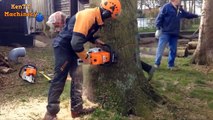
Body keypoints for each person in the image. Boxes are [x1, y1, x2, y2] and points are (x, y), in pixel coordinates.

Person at [43, 0, 122, 119]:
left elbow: (85, 32)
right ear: (106, 13)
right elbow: (76, 43)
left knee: (78, 77)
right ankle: (51, 114)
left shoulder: (96, 18)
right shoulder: (89, 16)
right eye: (110, 16)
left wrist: (94, 40)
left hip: (73, 49)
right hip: (64, 47)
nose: (110, 18)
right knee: (59, 79)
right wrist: (86, 58)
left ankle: (77, 109)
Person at [154, 0, 199, 70]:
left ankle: (170, 65)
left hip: (174, 33)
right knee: (161, 48)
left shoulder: (179, 9)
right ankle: (157, 64)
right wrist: (158, 28)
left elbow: (187, 15)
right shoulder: (166, 7)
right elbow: (159, 17)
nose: (180, 1)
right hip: (165, 32)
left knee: (173, 50)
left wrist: (197, 15)